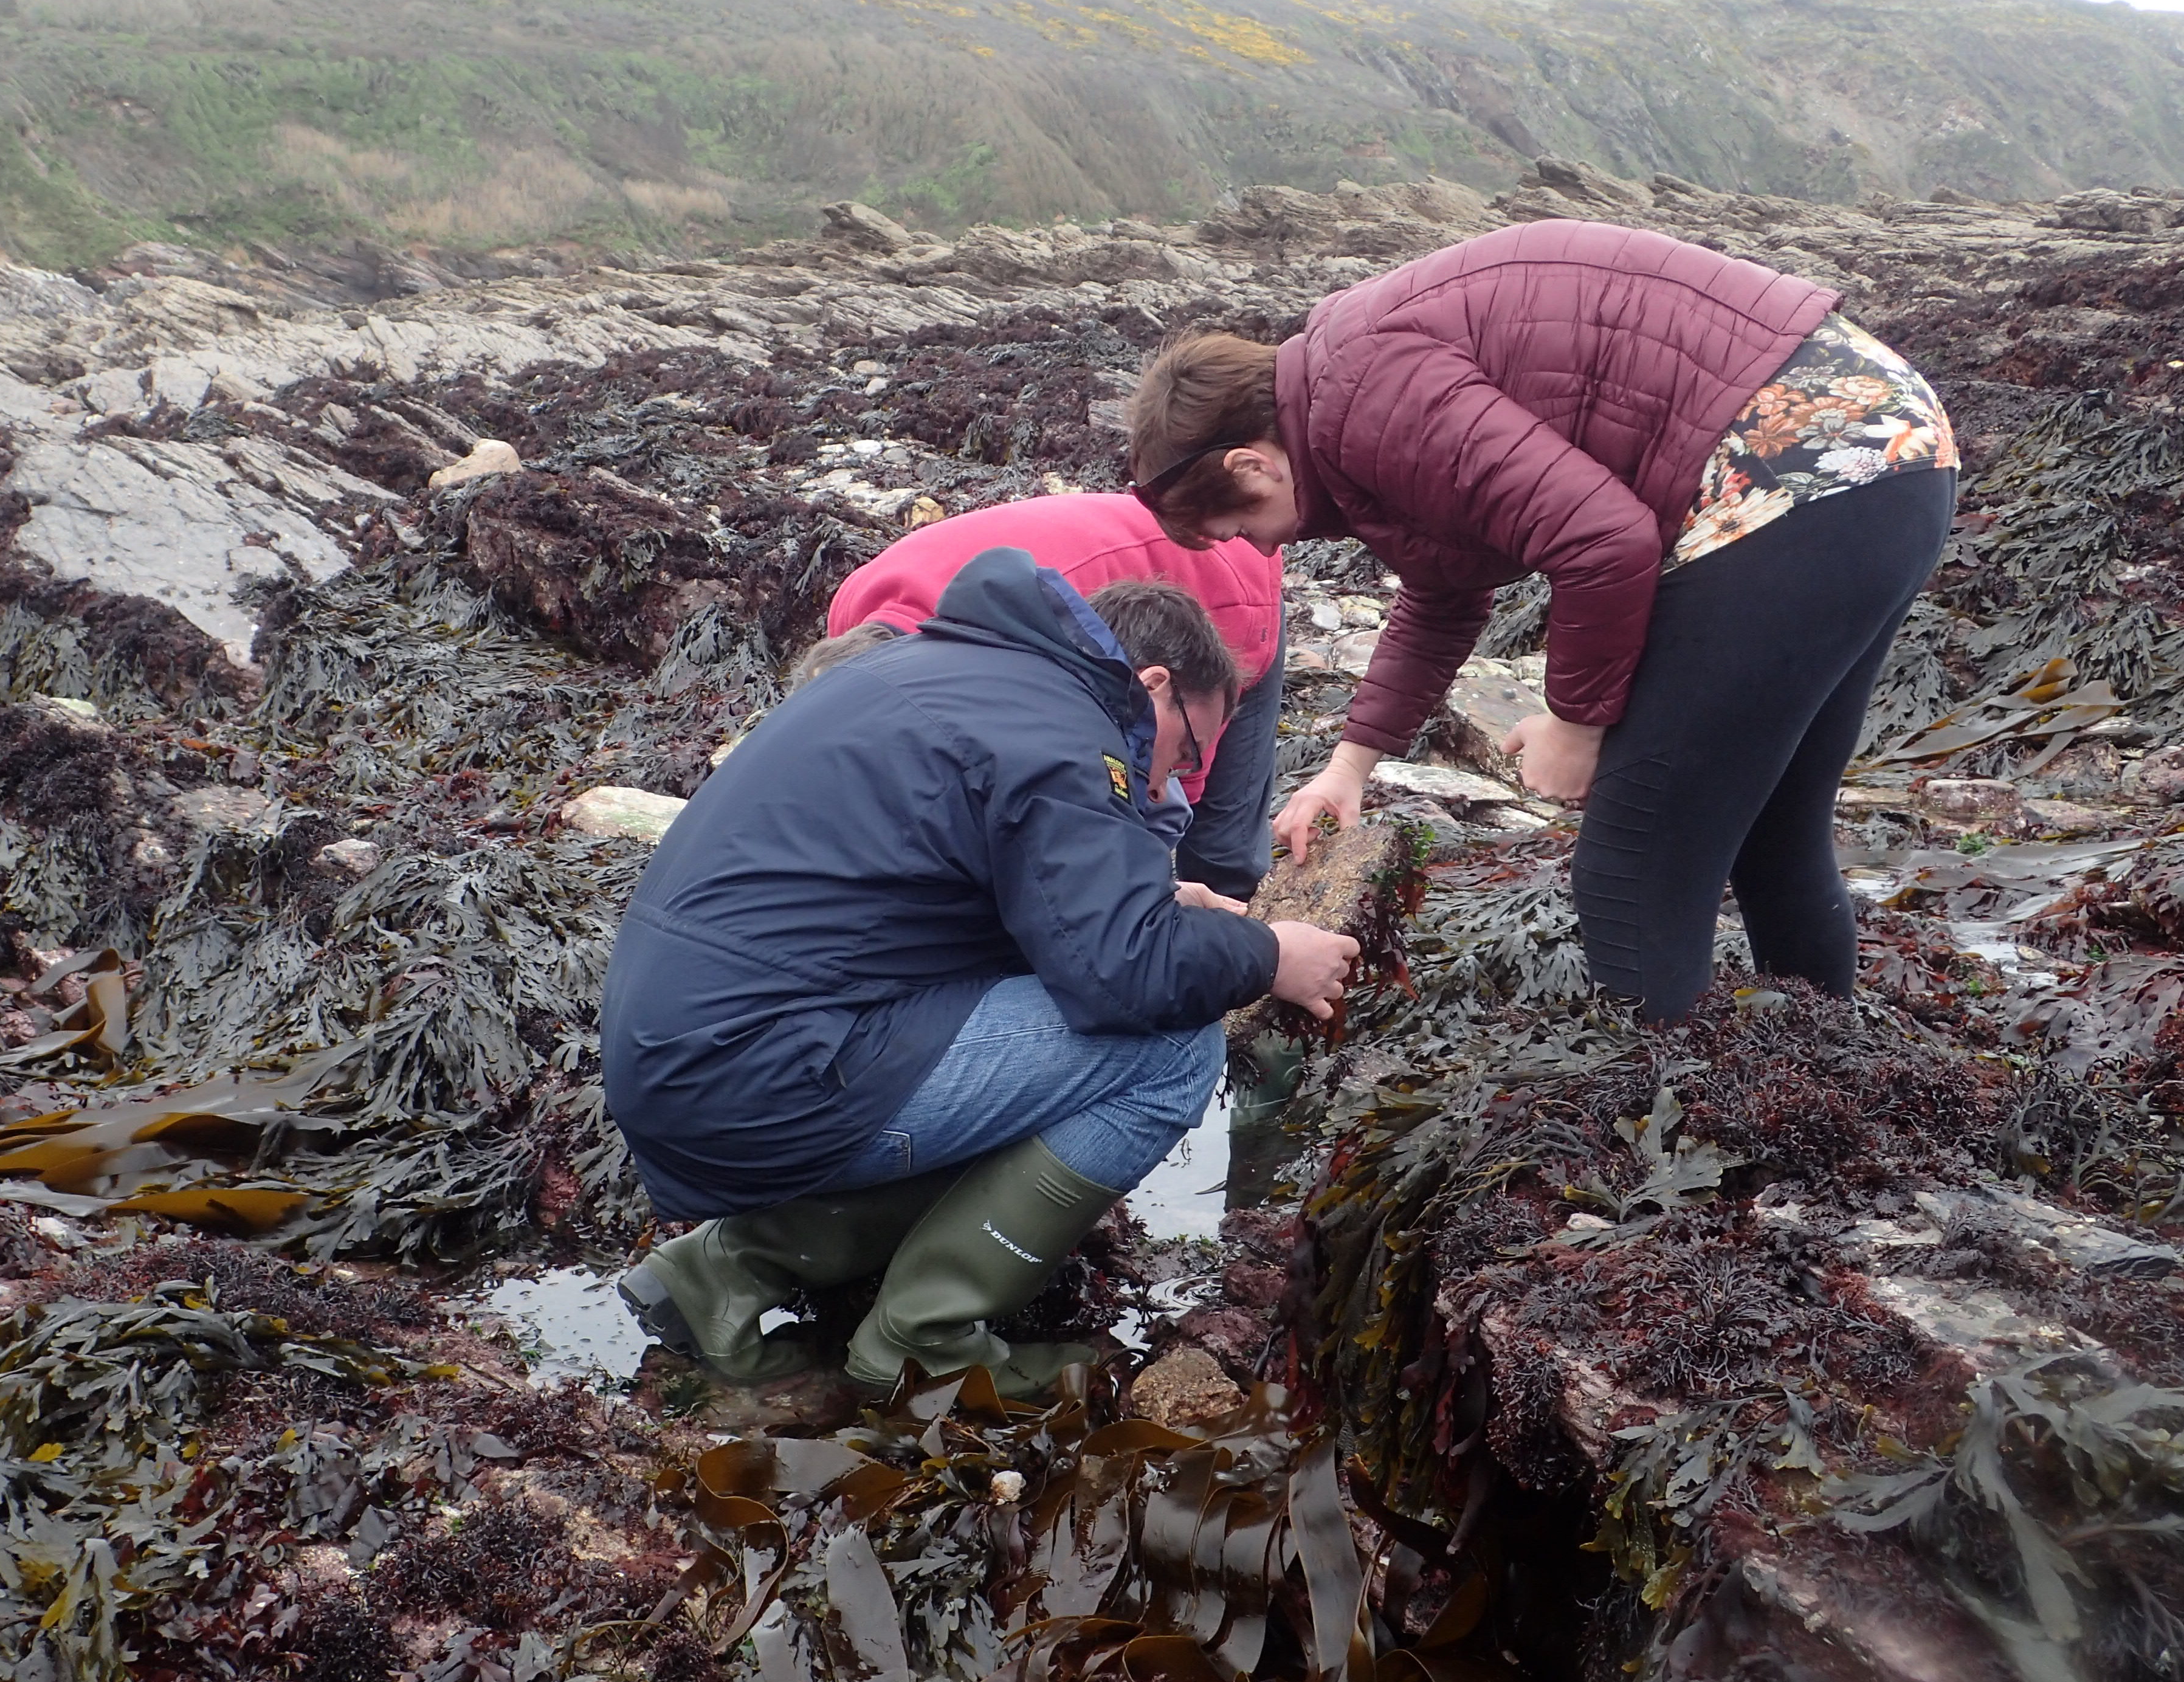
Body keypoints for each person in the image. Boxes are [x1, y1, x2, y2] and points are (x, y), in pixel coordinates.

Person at [1126, 218, 1958, 1024]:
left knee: (1630, 868)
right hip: (1889, 451)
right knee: (1774, 828)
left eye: (1236, 524)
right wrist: (1350, 768)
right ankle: (1823, 1080)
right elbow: (1444, 589)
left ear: (1251, 463)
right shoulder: (1348, 393)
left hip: (1790, 469)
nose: (1254, 545)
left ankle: (1680, 1128)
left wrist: (1575, 720)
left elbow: (1605, 542)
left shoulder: (1367, 398)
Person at [601, 548, 1359, 1398]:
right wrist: (1269, 955)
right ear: (1151, 687)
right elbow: (1126, 979)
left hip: (685, 1055)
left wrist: (1145, 893)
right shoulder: (1065, 732)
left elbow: (951, 900)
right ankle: (923, 1347)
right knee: (1170, 1052)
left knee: (1028, 1051)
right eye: (1185, 753)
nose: (1171, 783)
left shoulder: (952, 673)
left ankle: (720, 1275)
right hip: (760, 1074)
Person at [816, 494, 1287, 900]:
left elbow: (1147, 793)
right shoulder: (854, 623)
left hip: (1232, 578)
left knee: (1215, 846)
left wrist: (1151, 887)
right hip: (1107, 568)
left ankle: (1256, 965)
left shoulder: (1003, 647)